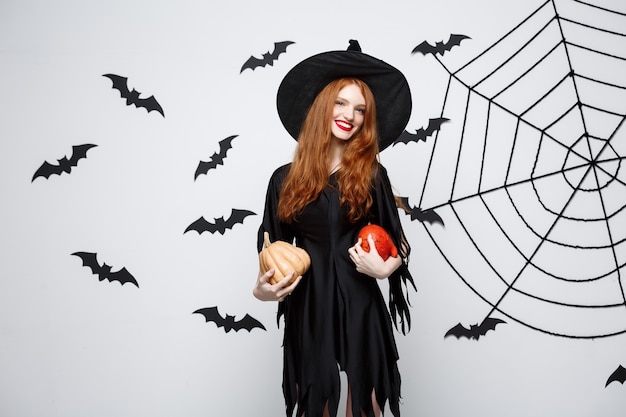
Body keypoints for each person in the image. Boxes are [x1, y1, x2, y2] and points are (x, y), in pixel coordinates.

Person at [253, 40, 415, 417]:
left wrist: (388, 267)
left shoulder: (374, 174)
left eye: (360, 109)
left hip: (361, 305)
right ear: (322, 106)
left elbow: (399, 243)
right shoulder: (283, 179)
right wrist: (262, 290)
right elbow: (271, 250)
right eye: (341, 103)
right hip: (308, 308)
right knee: (317, 408)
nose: (350, 115)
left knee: (365, 408)